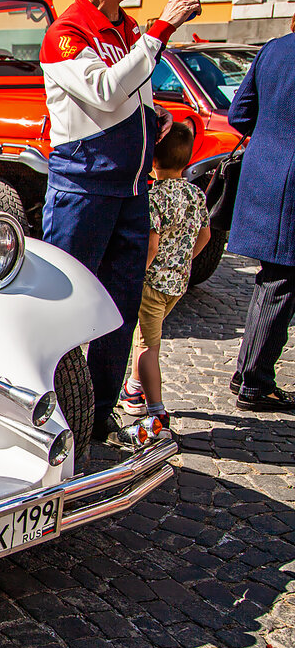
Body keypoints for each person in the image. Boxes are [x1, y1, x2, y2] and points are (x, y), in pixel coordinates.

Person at [39, 0, 201, 442]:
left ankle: (100, 416)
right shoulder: (66, 31)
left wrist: (154, 118)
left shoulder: (124, 26)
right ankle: (53, 415)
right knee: (61, 312)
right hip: (84, 190)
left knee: (119, 310)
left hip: (130, 188)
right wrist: (161, 30)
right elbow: (107, 91)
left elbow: (131, 93)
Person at [224, 14, 295, 413]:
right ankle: (253, 379)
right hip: (289, 184)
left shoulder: (272, 49)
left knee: (274, 278)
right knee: (281, 280)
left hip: (264, 173)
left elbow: (239, 115)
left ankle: (250, 374)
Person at [119, 124, 209, 426]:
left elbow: (153, 245)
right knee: (146, 334)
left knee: (147, 346)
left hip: (152, 284)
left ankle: (154, 406)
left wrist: (137, 272)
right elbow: (205, 235)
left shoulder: (153, 196)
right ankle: (133, 387)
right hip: (177, 283)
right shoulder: (195, 194)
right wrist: (183, 262)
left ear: (152, 160)